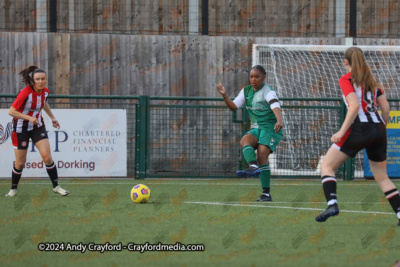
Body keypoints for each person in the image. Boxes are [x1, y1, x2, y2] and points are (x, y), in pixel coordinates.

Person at [315, 47, 400, 226]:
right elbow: (386, 109)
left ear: (346, 62)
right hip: (379, 128)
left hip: (360, 128)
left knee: (327, 165)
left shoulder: (346, 78)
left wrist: (340, 131)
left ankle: (332, 204)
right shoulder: (373, 79)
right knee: (382, 176)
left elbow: (354, 106)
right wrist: (379, 129)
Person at [217, 65, 283, 202]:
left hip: (271, 128)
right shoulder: (246, 91)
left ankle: (266, 194)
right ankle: (253, 166)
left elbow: (276, 106)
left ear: (263, 78)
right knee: (244, 140)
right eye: (251, 76)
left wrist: (279, 120)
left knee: (262, 156)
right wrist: (225, 95)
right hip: (257, 128)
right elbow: (233, 107)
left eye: (257, 77)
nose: (253, 79)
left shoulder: (268, 91)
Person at [5, 66, 69, 197]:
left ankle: (56, 187)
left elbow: (44, 103)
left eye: (43, 79)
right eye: (38, 79)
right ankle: (13, 189)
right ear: (33, 81)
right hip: (20, 129)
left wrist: (52, 118)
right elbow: (11, 111)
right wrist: (29, 118)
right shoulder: (25, 93)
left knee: (47, 157)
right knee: (20, 163)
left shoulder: (45, 92)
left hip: (37, 127)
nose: (41, 81)